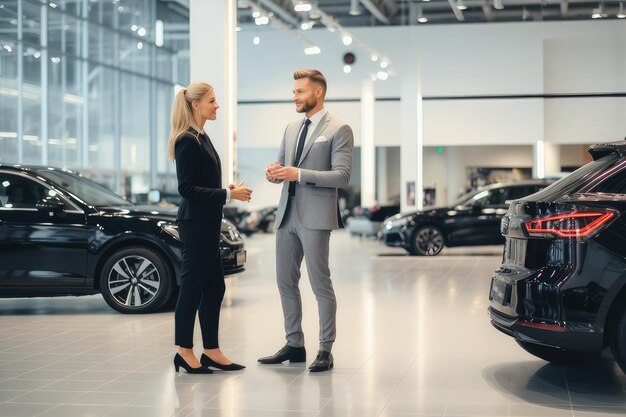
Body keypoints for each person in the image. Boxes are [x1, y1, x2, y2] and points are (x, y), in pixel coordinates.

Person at [259, 69, 354, 372]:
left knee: (319, 284)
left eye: (300, 91)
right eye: (294, 92)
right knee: (285, 281)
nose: (295, 97)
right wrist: (274, 173)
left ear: (318, 93)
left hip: (316, 217)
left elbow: (342, 176)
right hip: (287, 214)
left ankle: (325, 349)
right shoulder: (290, 128)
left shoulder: (339, 129)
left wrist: (297, 174)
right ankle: (294, 344)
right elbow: (283, 169)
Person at [168, 82, 252, 373]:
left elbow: (202, 184)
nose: (217, 106)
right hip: (195, 223)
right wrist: (228, 195)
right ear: (195, 105)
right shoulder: (187, 140)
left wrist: (225, 189)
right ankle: (184, 350)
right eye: (212, 101)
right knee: (191, 287)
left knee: (214, 287)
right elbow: (187, 188)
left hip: (207, 223)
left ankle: (212, 350)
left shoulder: (201, 137)